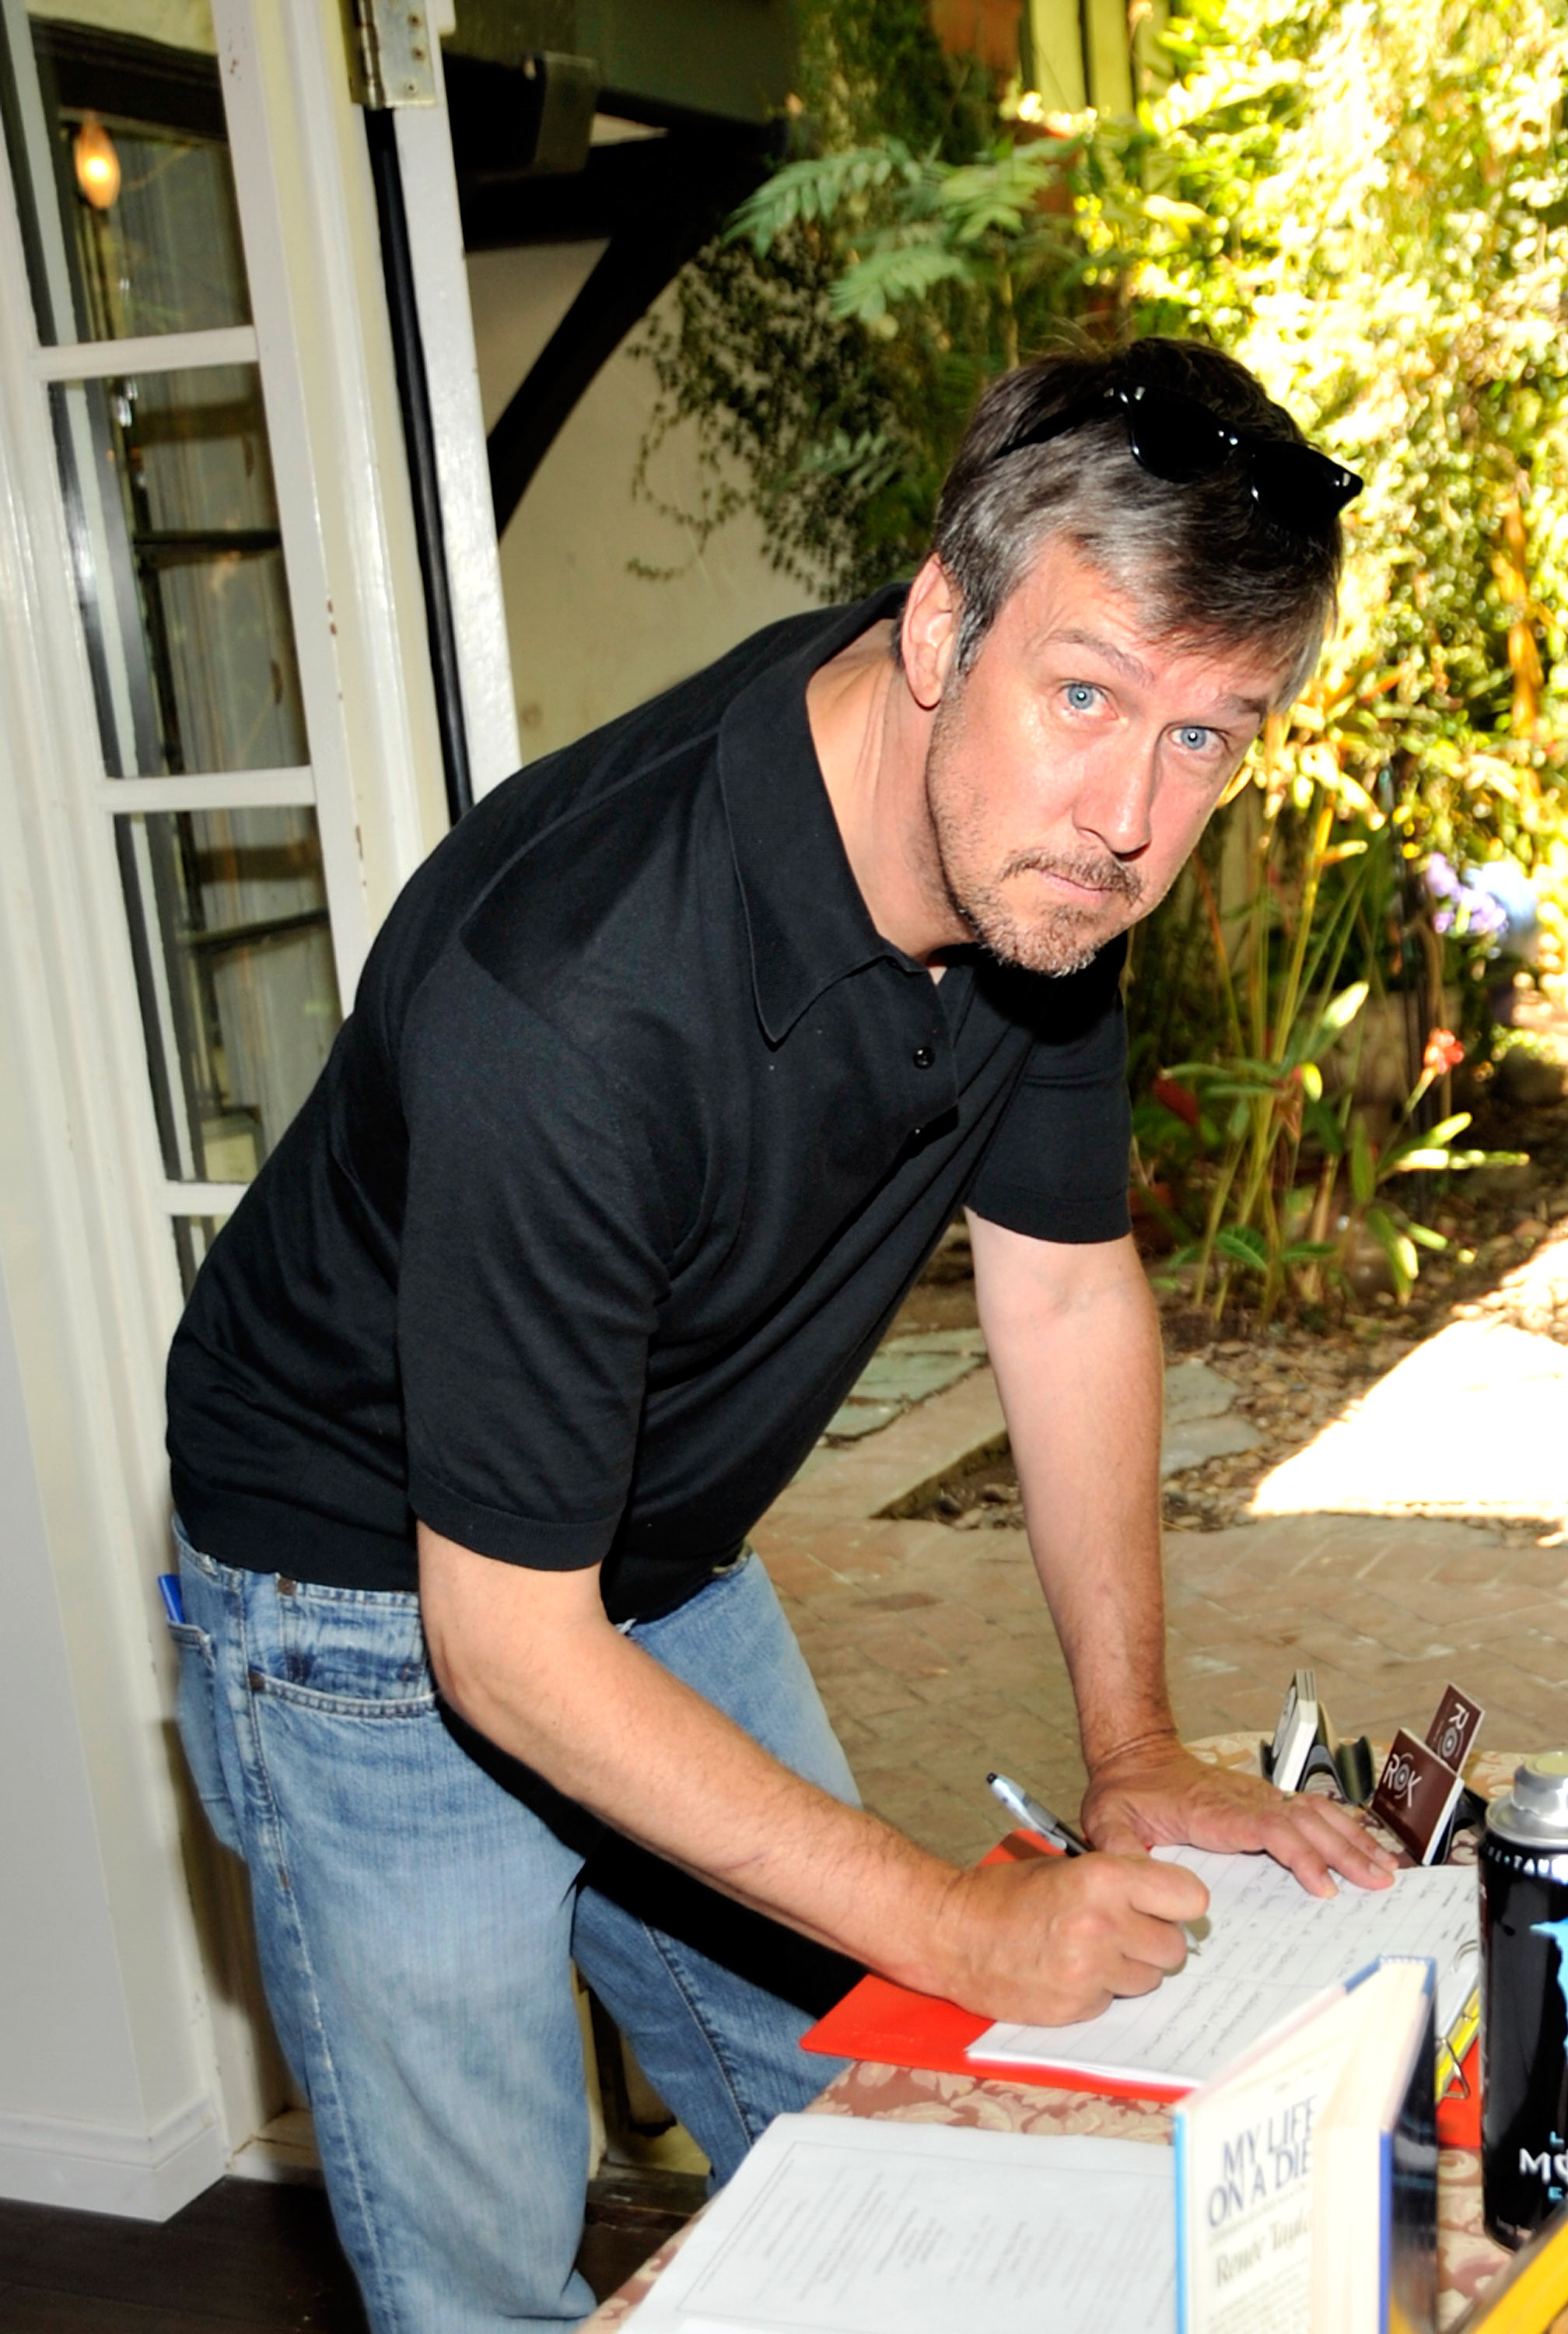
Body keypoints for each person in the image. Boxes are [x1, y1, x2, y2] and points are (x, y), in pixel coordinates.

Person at [164, 335, 1394, 2334]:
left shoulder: (1029, 879)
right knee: (493, 2285)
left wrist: (1135, 1748)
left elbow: (1066, 1287)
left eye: (1208, 736)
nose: (1129, 817)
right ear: (939, 629)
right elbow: (508, 1649)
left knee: (894, 2157)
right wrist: (952, 1921)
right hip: (371, 1613)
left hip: (646, 1550)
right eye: (1083, 696)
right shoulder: (575, 997)